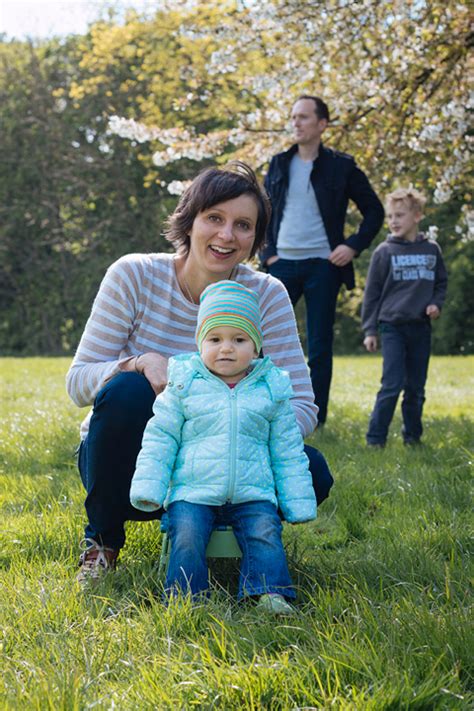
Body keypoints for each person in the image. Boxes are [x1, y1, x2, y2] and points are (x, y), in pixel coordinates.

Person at [66, 161, 333, 584]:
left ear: (255, 238)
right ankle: (102, 541)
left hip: (228, 465)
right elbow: (78, 381)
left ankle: (248, 537)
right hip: (134, 462)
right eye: (214, 218)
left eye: (243, 225)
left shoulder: (267, 294)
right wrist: (138, 362)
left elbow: (302, 404)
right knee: (127, 391)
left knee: (313, 470)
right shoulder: (134, 275)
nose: (227, 235)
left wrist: (239, 415)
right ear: (189, 220)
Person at [130, 281, 317, 612]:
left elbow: (287, 451)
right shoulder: (184, 384)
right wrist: (149, 487)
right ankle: (186, 596)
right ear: (200, 344)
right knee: (186, 533)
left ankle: (268, 592)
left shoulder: (271, 389)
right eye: (215, 339)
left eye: (239, 339)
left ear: (256, 347)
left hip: (253, 490)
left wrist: (298, 500)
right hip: (193, 490)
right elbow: (161, 438)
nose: (226, 348)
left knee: (264, 531)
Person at [261, 95, 384, 425]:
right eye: (293, 117)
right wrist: (267, 253)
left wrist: (352, 246)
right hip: (281, 264)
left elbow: (374, 210)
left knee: (319, 345)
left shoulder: (342, 166)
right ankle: (262, 410)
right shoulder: (277, 164)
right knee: (261, 340)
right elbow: (260, 211)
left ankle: (315, 418)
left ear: (322, 124)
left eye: (303, 117)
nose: (296, 123)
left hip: (323, 266)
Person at [362, 187, 448, 447]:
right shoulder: (384, 252)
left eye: (400, 215)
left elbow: (441, 283)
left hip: (420, 327)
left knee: (416, 388)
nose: (394, 221)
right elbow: (372, 293)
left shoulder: (431, 249)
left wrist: (435, 303)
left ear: (418, 216)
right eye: (390, 217)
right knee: (391, 385)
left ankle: (413, 438)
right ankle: (375, 439)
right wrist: (370, 330)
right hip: (392, 327)